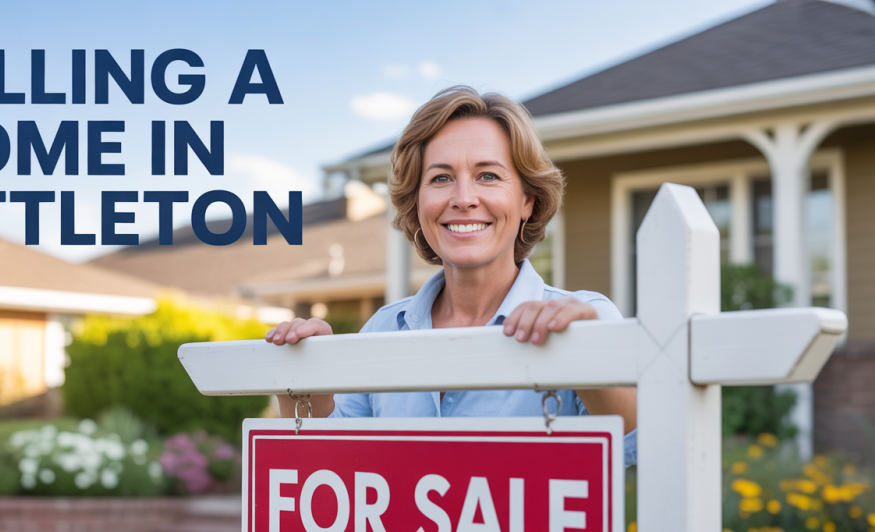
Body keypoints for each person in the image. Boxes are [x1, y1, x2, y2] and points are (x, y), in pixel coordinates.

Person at [266, 85, 637, 465]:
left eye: (488, 176)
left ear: (527, 200)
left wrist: (589, 357)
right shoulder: (382, 330)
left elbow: (646, 453)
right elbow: (337, 471)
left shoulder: (587, 322)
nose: (462, 198)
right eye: (441, 178)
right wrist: (308, 384)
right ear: (418, 201)